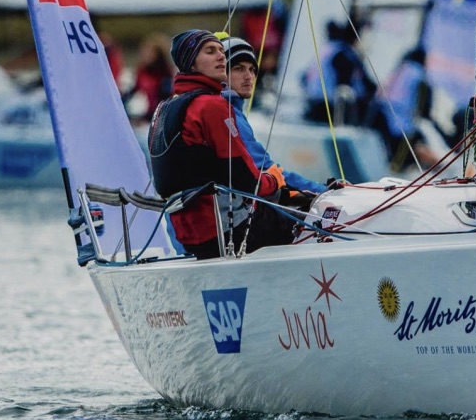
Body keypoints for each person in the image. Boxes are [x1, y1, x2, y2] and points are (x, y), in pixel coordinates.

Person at [148, 29, 299, 260]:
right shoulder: (211, 106)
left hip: (189, 235)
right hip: (227, 231)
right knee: (307, 219)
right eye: (210, 51)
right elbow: (248, 181)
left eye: (221, 51)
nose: (221, 57)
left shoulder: (165, 108)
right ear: (191, 63)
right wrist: (275, 180)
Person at [221, 34, 328, 194]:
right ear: (222, 72)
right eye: (239, 68)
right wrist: (321, 190)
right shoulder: (227, 114)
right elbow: (265, 169)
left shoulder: (228, 108)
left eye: (252, 69)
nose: (248, 76)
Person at [374, 45, 440, 170]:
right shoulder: (419, 74)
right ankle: (442, 166)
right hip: (403, 126)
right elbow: (425, 104)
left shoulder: (398, 69)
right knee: (418, 146)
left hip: (382, 120)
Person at [302, 19, 377, 126]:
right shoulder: (345, 55)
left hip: (313, 102)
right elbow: (347, 84)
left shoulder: (327, 49)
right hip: (328, 108)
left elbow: (304, 77)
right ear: (357, 38)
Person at [123, 32, 174, 122]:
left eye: (149, 52)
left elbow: (165, 100)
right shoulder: (142, 71)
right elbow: (133, 90)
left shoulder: (165, 73)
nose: (144, 55)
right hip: (149, 114)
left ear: (157, 55)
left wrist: (147, 117)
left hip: (161, 116)